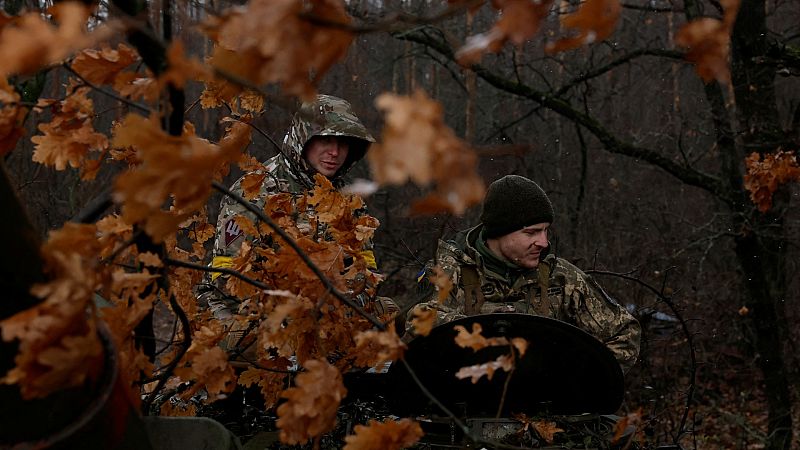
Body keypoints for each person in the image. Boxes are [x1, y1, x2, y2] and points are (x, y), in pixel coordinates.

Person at [198, 94, 396, 356]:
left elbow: (366, 272)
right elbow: (228, 278)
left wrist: (345, 302)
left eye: (343, 143)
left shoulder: (350, 202)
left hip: (326, 312)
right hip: (246, 310)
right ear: (304, 138)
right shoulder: (255, 190)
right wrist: (291, 309)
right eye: (325, 140)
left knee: (391, 318)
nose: (334, 152)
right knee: (255, 345)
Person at [406, 175, 641, 373]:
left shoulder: (561, 278)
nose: (543, 242)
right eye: (532, 233)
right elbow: (420, 327)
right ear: (500, 232)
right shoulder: (448, 272)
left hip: (548, 411)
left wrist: (575, 376)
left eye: (546, 231)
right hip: (467, 407)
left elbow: (624, 332)